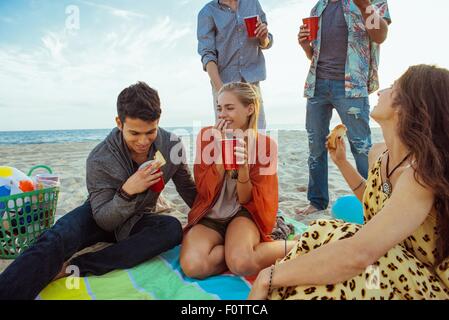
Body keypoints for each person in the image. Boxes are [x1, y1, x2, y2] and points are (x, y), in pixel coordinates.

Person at [249, 65, 449, 300]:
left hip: (421, 284)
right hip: (378, 269)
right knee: (324, 264)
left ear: (408, 106)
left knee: (345, 239)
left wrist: (268, 276)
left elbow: (359, 253)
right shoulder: (379, 153)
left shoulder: (420, 177)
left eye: (393, 87)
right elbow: (377, 201)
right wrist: (342, 162)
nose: (379, 91)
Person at [0, 82, 197, 300]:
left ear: (158, 122)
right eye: (134, 133)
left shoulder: (172, 146)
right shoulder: (99, 158)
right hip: (99, 212)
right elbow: (104, 221)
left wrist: (212, 220)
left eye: (150, 132)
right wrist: (127, 191)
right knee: (57, 236)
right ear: (119, 123)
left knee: (171, 228)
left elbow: (186, 186)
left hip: (138, 218)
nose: (143, 141)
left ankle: (77, 266)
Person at [180, 82, 295, 279]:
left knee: (242, 263)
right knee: (194, 267)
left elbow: (247, 200)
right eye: (219, 108)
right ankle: (234, 248)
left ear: (249, 109)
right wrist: (218, 153)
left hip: (243, 213)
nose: (222, 114)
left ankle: (298, 243)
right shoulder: (207, 136)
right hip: (212, 214)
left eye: (229, 108)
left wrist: (243, 170)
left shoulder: (266, 146)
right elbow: (204, 189)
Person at [297, 0, 391, 215]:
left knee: (361, 146)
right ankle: (317, 201)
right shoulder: (319, 7)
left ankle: (374, 201)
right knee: (315, 148)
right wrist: (306, 47)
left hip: (351, 85)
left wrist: (364, 4)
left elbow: (380, 36)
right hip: (317, 85)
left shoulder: (373, 1)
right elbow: (315, 56)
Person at [197, 0, 273, 130]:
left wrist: (264, 36)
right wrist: (222, 92)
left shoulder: (252, 3)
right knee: (229, 136)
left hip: (251, 84)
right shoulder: (207, 12)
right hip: (223, 84)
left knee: (257, 135)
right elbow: (207, 55)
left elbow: (266, 43)